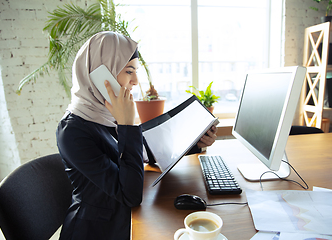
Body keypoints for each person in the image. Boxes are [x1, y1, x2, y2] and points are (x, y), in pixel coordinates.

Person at [56, 31, 217, 240]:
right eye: (129, 71)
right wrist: (127, 123)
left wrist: (199, 141)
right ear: (101, 74)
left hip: (123, 220)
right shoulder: (73, 131)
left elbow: (144, 148)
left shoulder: (105, 114)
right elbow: (130, 195)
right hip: (97, 231)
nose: (135, 81)